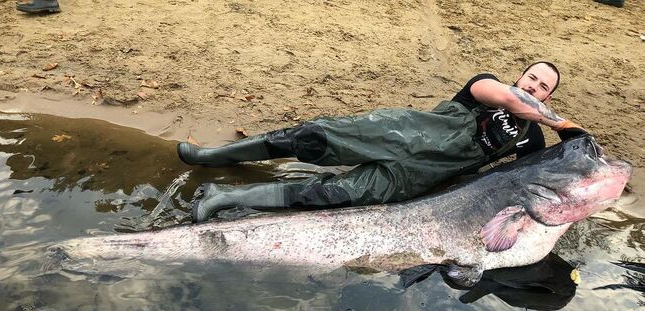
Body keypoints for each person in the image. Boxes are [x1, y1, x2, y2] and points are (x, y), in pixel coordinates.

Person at [178, 61, 587, 223]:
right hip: (398, 132)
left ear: (549, 95)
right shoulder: (488, 86)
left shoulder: (532, 137)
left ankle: (223, 197)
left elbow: (530, 177)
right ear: (520, 77)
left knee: (331, 195)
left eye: (544, 86)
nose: (535, 87)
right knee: (310, 138)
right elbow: (511, 100)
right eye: (532, 78)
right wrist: (565, 123)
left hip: (415, 177)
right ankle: (211, 156)